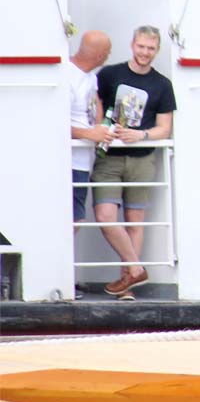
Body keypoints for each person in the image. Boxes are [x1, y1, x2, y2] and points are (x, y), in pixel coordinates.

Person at [94, 26, 175, 301]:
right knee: (105, 216)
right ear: (132, 45)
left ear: (157, 50)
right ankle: (137, 269)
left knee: (134, 220)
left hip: (142, 158)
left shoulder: (162, 84)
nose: (145, 53)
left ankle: (127, 286)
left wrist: (140, 135)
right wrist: (101, 130)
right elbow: (94, 108)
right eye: (141, 46)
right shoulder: (109, 75)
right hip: (109, 157)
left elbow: (164, 129)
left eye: (150, 48)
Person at [66, 31, 113, 299]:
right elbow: (52, 120)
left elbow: (92, 114)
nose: (107, 58)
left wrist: (103, 128)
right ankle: (60, 273)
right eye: (106, 53)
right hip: (69, 161)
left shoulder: (90, 78)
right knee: (71, 219)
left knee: (76, 218)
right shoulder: (65, 76)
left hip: (83, 162)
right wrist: (89, 135)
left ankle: (65, 272)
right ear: (97, 54)